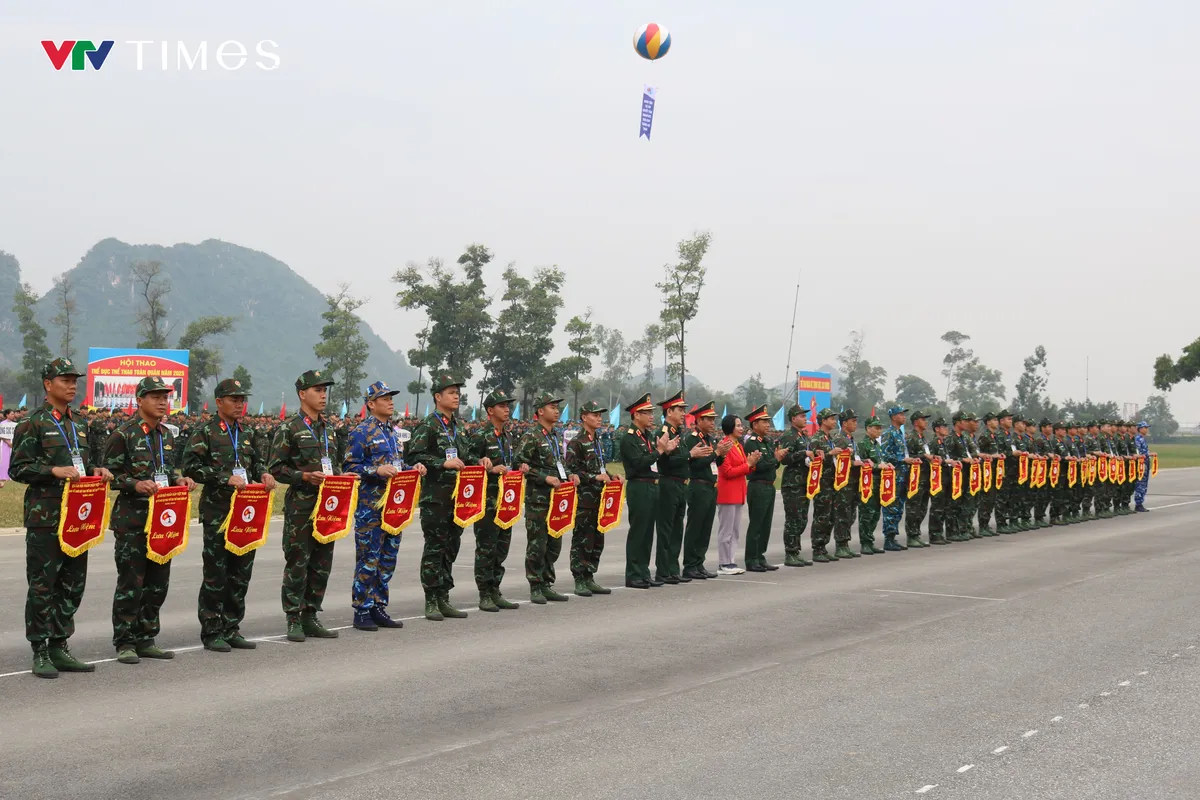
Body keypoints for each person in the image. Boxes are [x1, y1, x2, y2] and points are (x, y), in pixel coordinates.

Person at [11, 357, 112, 678]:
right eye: (65, 380)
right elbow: (17, 468)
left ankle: (59, 643)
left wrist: (98, 470)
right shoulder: (33, 423)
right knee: (44, 584)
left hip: (78, 517)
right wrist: (52, 470)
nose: (72, 385)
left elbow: (89, 462)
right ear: (47, 384)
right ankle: (40, 649)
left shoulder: (80, 423)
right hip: (46, 516)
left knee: (72, 583)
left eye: (74, 380)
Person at [104, 376, 196, 664]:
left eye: (165, 397)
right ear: (139, 400)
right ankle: (125, 641)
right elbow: (111, 476)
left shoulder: (166, 435)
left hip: (162, 522)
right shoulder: (123, 434)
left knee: (158, 582)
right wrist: (135, 484)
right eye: (155, 396)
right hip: (132, 520)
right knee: (132, 581)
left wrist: (180, 479)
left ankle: (146, 636)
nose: (162, 402)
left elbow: (167, 471)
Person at [182, 377, 276, 652]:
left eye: (242, 399)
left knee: (240, 573)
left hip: (246, 513)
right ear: (219, 402)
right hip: (218, 512)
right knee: (217, 573)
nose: (239, 404)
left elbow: (257, 462)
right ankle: (212, 630)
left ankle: (232, 626)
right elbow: (191, 467)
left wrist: (265, 474)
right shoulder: (205, 432)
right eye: (234, 399)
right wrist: (224, 478)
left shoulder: (247, 433)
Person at [343, 380, 427, 631]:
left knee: (388, 558)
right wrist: (375, 470)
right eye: (384, 398)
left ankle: (379, 605)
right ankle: (362, 609)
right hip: (371, 507)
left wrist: (413, 469)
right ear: (371, 404)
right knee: (369, 558)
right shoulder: (361, 432)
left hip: (394, 507)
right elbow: (349, 467)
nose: (390, 402)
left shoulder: (392, 431)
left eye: (391, 397)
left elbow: (397, 464)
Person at [406, 374, 489, 620]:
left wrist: (478, 460)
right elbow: (414, 457)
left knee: (451, 547)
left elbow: (465, 454)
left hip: (458, 499)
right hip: (436, 499)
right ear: (438, 397)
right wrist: (442, 463)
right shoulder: (428, 425)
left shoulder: (457, 426)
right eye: (451, 392)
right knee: (435, 548)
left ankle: (444, 596)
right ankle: (431, 598)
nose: (456, 396)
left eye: (458, 392)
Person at [268, 370, 343, 641]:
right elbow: (275, 468)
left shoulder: (330, 429)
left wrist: (343, 477)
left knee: (322, 561)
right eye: (317, 390)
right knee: (298, 560)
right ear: (302, 394)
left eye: (325, 390)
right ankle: (293, 618)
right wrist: (304, 476)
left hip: (329, 505)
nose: (323, 395)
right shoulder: (290, 428)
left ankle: (311, 614)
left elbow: (336, 465)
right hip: (302, 505)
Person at [513, 394, 576, 604]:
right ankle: (535, 585)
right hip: (538, 499)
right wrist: (543, 478)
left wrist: (569, 475)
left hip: (557, 499)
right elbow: (520, 464)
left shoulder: (554, 436)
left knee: (553, 544)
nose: (557, 410)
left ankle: (547, 583)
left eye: (558, 407)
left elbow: (559, 463)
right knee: (537, 544)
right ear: (540, 411)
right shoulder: (531, 436)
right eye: (552, 407)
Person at [468, 389, 526, 611]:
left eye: (508, 405)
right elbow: (468, 461)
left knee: (501, 548)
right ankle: (484, 593)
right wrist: (484, 463)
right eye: (502, 406)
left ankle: (495, 590)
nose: (507, 409)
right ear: (490, 410)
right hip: (487, 501)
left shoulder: (508, 436)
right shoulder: (480, 435)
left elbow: (511, 462)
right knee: (486, 548)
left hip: (506, 501)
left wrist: (520, 467)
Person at [620, 393, 675, 588]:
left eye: (652, 412)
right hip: (639, 485)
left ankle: (643, 571)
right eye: (647, 412)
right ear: (636, 415)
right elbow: (640, 462)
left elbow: (653, 459)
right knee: (639, 531)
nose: (652, 416)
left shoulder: (648, 436)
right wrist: (659, 451)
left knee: (648, 532)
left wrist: (664, 450)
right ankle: (633, 573)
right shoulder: (629, 438)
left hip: (652, 485)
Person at [566, 400, 616, 595]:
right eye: (594, 414)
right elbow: (572, 471)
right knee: (582, 539)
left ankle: (590, 576)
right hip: (584, 500)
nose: (598, 418)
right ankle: (579, 578)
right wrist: (594, 477)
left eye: (600, 415)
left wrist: (612, 476)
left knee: (597, 539)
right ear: (584, 417)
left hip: (600, 499)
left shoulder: (597, 440)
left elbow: (600, 468)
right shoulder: (577, 442)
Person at [681, 401, 727, 579]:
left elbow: (715, 463)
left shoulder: (709, 439)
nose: (712, 422)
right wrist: (716, 453)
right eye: (708, 419)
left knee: (706, 528)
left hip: (710, 487)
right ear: (699, 420)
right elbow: (698, 464)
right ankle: (690, 565)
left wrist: (721, 454)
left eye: (713, 419)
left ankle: (699, 563)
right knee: (695, 527)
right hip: (698, 485)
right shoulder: (692, 439)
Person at [653, 391, 694, 583]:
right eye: (680, 410)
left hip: (680, 484)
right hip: (668, 483)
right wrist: (690, 455)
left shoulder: (678, 433)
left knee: (677, 528)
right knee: (666, 528)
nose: (683, 413)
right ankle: (663, 570)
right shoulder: (663, 433)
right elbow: (666, 462)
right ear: (669, 412)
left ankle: (672, 568)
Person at [743, 404, 783, 572]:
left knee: (766, 525)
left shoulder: (767, 442)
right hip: (757, 486)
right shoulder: (752, 443)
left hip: (769, 486)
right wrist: (775, 459)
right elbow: (759, 467)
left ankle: (760, 556)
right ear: (754, 425)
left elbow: (772, 465)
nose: (768, 425)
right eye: (764, 422)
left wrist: (776, 459)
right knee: (757, 524)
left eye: (768, 421)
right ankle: (751, 558)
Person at [715, 414, 752, 574]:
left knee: (735, 530)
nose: (741, 428)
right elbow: (728, 472)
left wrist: (752, 463)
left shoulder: (738, 445)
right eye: (738, 425)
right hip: (728, 493)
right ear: (730, 428)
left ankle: (731, 560)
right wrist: (748, 465)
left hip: (738, 492)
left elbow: (744, 466)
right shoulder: (725, 445)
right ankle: (724, 562)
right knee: (726, 530)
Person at [778, 405, 814, 566]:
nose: (804, 418)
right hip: (792, 483)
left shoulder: (803, 436)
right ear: (793, 418)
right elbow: (784, 459)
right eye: (801, 416)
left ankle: (796, 550)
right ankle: (790, 552)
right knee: (793, 519)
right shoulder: (789, 436)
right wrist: (802, 454)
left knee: (802, 519)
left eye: (805, 416)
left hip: (804, 483)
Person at [808, 409, 842, 561]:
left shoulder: (830, 438)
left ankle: (824, 546)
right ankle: (817, 548)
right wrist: (830, 454)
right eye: (831, 418)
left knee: (830, 516)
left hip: (832, 481)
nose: (834, 421)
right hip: (822, 482)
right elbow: (815, 461)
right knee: (821, 515)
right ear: (823, 421)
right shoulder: (817, 439)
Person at [879, 406, 911, 549]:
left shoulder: (900, 434)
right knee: (891, 507)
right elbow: (885, 455)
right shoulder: (888, 433)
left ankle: (893, 537)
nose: (904, 416)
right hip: (893, 476)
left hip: (903, 475)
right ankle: (889, 538)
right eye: (901, 414)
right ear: (893, 417)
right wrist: (903, 459)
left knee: (899, 508)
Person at [904, 410, 932, 548]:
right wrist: (923, 456)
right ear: (916, 422)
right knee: (913, 507)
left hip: (926, 476)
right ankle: (911, 536)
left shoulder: (923, 438)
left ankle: (916, 532)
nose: (925, 422)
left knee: (922, 507)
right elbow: (909, 455)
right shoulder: (911, 437)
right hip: (916, 477)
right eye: (923, 419)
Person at [857, 415, 884, 555]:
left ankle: (870, 540)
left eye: (880, 428)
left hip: (879, 483)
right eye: (876, 427)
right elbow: (863, 463)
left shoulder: (877, 445)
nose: (879, 430)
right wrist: (879, 465)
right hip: (868, 484)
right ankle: (865, 543)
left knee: (875, 514)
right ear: (868, 428)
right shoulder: (863, 444)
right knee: (866, 513)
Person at [926, 418, 953, 545]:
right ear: (937, 429)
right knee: (937, 506)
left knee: (944, 506)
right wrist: (945, 461)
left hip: (947, 476)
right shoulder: (933, 443)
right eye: (943, 426)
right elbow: (931, 460)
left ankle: (940, 532)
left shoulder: (944, 443)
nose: (946, 429)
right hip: (938, 478)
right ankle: (934, 534)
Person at [1134, 421, 1151, 512]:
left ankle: (1140, 502)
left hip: (1145, 462)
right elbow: (1138, 452)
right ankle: (1138, 503)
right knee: (1140, 483)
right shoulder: (1138, 439)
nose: (1147, 429)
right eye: (1145, 427)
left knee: (1144, 483)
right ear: (1140, 429)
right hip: (1141, 463)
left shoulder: (1142, 438)